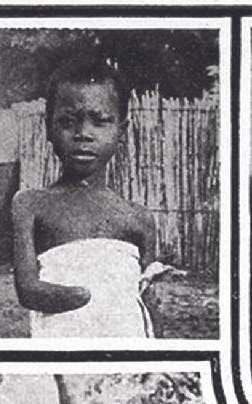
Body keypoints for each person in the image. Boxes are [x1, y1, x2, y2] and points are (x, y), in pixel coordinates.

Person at [12, 56, 165, 341]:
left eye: (100, 122)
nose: (83, 134)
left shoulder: (138, 218)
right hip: (61, 344)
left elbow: (147, 299)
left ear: (121, 131)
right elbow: (28, 290)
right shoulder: (30, 203)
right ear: (48, 128)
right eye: (68, 122)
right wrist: (89, 296)